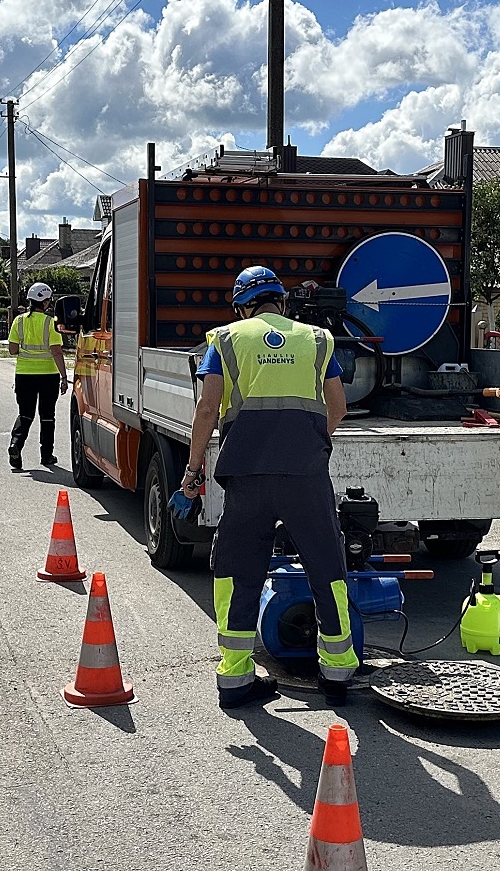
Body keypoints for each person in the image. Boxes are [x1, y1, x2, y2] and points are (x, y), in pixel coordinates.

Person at [181, 265, 358, 710]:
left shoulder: (224, 340)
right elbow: (337, 406)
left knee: (238, 571)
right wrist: (309, 444)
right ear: (282, 300)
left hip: (248, 475)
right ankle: (336, 676)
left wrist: (192, 470)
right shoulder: (317, 339)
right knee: (325, 566)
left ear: (243, 306)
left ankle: (236, 679)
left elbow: (206, 409)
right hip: (305, 473)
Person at [7, 282, 68, 472]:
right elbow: (57, 352)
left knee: (25, 414)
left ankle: (16, 445)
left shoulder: (19, 321)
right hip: (48, 376)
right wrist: (64, 377)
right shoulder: (51, 323)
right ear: (45, 302)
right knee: (47, 416)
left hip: (24, 375)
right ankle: (46, 455)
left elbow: (12, 350)